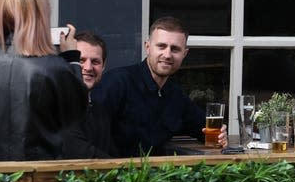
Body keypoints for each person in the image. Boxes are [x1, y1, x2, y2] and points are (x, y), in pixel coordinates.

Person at [0, 0, 88, 161]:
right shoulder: (54, 67)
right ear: (41, 15)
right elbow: (77, 111)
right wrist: (72, 58)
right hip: (38, 175)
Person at [92, 16, 228, 157]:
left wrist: (221, 134)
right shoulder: (117, 82)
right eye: (161, 46)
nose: (167, 54)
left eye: (175, 49)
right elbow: (91, 136)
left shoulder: (176, 96)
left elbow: (203, 129)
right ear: (148, 47)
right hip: (113, 173)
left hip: (157, 174)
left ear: (184, 54)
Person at [61, 31, 117, 158]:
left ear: (103, 66)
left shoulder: (100, 110)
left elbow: (111, 152)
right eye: (81, 60)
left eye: (95, 62)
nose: (88, 67)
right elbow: (80, 152)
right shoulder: (57, 107)